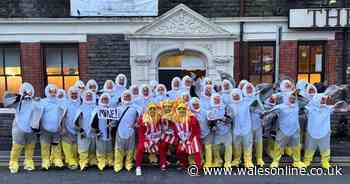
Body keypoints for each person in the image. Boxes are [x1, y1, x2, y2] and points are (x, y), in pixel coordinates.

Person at [6, 83, 40, 173]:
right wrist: (18, 97)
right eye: (26, 92)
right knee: (17, 146)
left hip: (31, 128)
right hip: (19, 127)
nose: (28, 94)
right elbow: (6, 102)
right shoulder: (18, 102)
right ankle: (13, 163)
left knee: (30, 146)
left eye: (29, 92)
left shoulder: (35, 102)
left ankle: (28, 162)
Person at [269, 93, 305, 169]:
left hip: (295, 129)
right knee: (278, 146)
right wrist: (275, 97)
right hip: (283, 130)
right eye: (291, 98)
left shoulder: (297, 105)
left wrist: (298, 94)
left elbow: (306, 100)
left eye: (294, 98)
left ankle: (297, 161)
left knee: (296, 147)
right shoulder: (280, 107)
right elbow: (270, 109)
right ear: (286, 98)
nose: (293, 99)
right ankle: (275, 161)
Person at [303, 94, 335, 169]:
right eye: (322, 99)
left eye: (324, 99)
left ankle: (325, 162)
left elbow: (335, 105)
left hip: (324, 132)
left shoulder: (328, 108)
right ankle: (307, 160)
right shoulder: (309, 108)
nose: (323, 101)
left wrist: (329, 99)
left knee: (325, 147)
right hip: (312, 131)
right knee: (310, 147)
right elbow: (304, 105)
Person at [40, 84, 66, 170]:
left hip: (56, 129)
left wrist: (62, 127)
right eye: (50, 91)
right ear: (47, 91)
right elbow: (37, 114)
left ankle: (57, 160)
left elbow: (62, 115)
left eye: (54, 91)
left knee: (56, 145)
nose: (52, 93)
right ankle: (45, 161)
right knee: (45, 146)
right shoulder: (42, 102)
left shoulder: (59, 102)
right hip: (45, 129)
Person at [114, 90, 139, 173]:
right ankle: (118, 164)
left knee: (130, 148)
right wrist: (111, 124)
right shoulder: (118, 107)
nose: (127, 98)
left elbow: (139, 118)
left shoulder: (135, 107)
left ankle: (128, 163)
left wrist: (136, 123)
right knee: (119, 148)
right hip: (120, 130)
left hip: (131, 131)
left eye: (128, 96)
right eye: (125, 96)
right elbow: (113, 119)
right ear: (122, 97)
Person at [173, 101, 202, 172]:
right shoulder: (175, 118)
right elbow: (175, 130)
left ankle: (198, 167)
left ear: (186, 109)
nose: (181, 110)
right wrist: (179, 139)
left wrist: (190, 139)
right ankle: (185, 165)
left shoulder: (191, 118)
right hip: (182, 138)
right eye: (179, 109)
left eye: (183, 108)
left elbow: (195, 130)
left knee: (196, 151)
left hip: (192, 136)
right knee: (179, 152)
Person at [229, 88, 254, 168]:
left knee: (247, 145)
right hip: (236, 129)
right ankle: (237, 160)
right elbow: (230, 117)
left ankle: (248, 161)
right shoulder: (231, 105)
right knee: (236, 145)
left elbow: (255, 102)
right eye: (234, 96)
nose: (236, 97)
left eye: (237, 95)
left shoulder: (246, 102)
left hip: (246, 128)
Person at [135, 103, 162, 176]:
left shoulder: (158, 117)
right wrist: (144, 142)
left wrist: (156, 138)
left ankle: (163, 163)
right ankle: (138, 167)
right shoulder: (143, 118)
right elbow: (140, 133)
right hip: (145, 138)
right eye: (151, 109)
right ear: (148, 110)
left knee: (163, 145)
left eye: (154, 109)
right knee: (140, 148)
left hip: (156, 137)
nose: (152, 110)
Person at [243, 82, 265, 167]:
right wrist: (250, 109)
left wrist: (258, 107)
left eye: (250, 88)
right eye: (247, 88)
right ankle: (248, 160)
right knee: (248, 142)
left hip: (257, 123)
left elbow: (262, 110)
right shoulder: (243, 99)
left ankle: (259, 158)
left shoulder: (256, 98)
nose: (249, 89)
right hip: (248, 124)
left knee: (259, 141)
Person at [91, 93, 114, 171]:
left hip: (109, 133)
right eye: (103, 99)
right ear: (100, 100)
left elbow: (113, 121)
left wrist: (112, 125)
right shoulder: (97, 109)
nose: (104, 100)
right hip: (100, 133)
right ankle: (101, 162)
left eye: (106, 99)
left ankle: (110, 161)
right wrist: (96, 131)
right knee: (100, 148)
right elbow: (93, 122)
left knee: (109, 148)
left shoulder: (111, 109)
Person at [74, 90, 97, 170]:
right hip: (83, 130)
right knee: (83, 147)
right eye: (87, 96)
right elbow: (76, 120)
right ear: (84, 97)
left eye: (90, 96)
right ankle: (83, 162)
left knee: (93, 146)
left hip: (93, 130)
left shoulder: (96, 107)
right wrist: (80, 129)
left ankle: (92, 160)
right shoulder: (81, 107)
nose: (88, 97)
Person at [208, 94, 232, 168]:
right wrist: (212, 126)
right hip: (217, 132)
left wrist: (225, 119)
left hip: (226, 130)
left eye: (218, 98)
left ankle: (227, 162)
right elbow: (209, 120)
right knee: (215, 147)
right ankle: (218, 161)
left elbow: (230, 118)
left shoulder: (225, 107)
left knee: (228, 147)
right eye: (215, 99)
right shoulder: (210, 108)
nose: (217, 100)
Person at [190, 97, 214, 168]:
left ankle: (208, 163)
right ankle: (200, 161)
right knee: (198, 149)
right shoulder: (190, 113)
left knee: (207, 147)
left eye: (197, 104)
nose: (196, 106)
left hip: (206, 132)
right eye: (194, 104)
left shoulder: (205, 112)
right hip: (195, 134)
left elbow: (211, 121)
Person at [61, 87, 81, 170]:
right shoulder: (66, 103)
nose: (74, 95)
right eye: (72, 94)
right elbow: (62, 116)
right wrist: (63, 127)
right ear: (69, 94)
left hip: (77, 129)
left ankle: (74, 160)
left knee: (75, 147)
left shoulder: (80, 103)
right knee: (67, 144)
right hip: (67, 127)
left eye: (75, 93)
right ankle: (70, 161)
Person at [159, 99, 177, 171]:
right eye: (165, 107)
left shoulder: (175, 114)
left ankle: (182, 161)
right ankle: (163, 162)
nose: (167, 108)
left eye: (169, 106)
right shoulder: (160, 115)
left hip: (175, 135)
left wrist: (171, 120)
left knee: (180, 146)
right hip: (164, 135)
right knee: (162, 146)